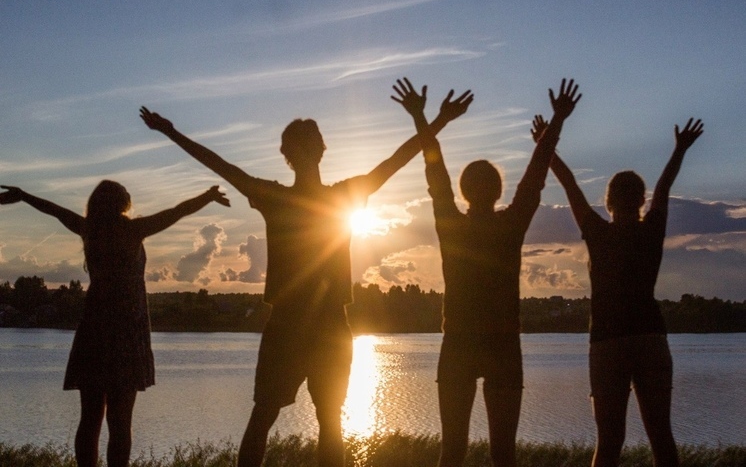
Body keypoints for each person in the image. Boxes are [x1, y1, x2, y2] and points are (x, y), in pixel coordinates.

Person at [139, 83, 473, 467]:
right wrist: (438, 121)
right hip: (320, 324)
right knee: (316, 421)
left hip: (300, 324)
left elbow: (222, 165)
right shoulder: (335, 197)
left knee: (276, 418)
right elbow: (394, 162)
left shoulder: (283, 197)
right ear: (321, 150)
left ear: (288, 156)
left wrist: (171, 131)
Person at [392, 77, 581, 467]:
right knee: (504, 455)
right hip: (503, 345)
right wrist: (556, 123)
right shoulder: (509, 226)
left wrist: (421, 117)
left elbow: (436, 174)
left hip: (459, 342)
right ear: (497, 192)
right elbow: (535, 176)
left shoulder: (451, 224)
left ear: (464, 193)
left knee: (453, 452)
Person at [0, 181, 229, 467]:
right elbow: (177, 212)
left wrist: (23, 196)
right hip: (127, 331)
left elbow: (54, 210)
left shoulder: (89, 229)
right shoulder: (132, 230)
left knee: (90, 417)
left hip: (94, 328)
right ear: (124, 202)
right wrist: (207, 197)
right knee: (120, 421)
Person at [530, 115, 703, 467]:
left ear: (608, 200)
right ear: (640, 200)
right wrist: (679, 149)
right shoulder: (651, 229)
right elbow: (665, 187)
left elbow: (569, 185)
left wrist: (545, 144)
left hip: (607, 343)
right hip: (650, 338)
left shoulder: (597, 232)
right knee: (661, 436)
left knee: (609, 441)